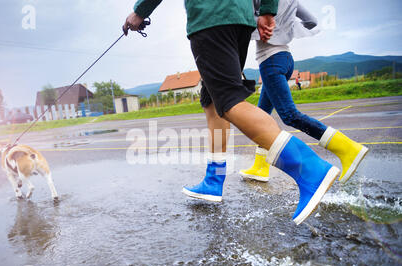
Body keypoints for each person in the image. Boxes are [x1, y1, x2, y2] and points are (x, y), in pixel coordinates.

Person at [124, 0, 340, 225]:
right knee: (212, 100)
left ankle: (310, 169)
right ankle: (214, 179)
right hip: (240, 20)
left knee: (228, 101)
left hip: (211, 17)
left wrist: (140, 12)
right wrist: (267, 10)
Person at [239, 0, 368, 184]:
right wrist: (286, 29)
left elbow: (243, 23)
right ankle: (260, 166)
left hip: (271, 61)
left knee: (289, 115)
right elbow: (312, 21)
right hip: (285, 58)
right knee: (262, 115)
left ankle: (347, 148)